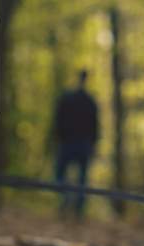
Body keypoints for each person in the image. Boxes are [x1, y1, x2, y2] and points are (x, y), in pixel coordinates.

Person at [54, 70, 100, 219]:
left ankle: (68, 200)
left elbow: (58, 120)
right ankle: (76, 207)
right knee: (80, 178)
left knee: (62, 174)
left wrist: (57, 137)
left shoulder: (67, 98)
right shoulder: (89, 101)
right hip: (80, 143)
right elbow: (95, 126)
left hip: (69, 143)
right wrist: (93, 143)